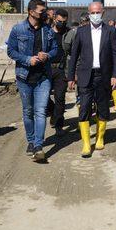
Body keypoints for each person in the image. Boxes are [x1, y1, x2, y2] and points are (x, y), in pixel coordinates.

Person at [7, 0, 58, 162]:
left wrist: (47, 55)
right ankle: (30, 140)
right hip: (24, 77)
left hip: (43, 77)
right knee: (28, 111)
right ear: (31, 12)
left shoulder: (48, 30)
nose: (45, 13)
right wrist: (27, 59)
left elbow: (56, 49)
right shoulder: (18, 29)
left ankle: (38, 145)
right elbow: (11, 51)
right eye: (42, 11)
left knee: (40, 111)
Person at [67, 2, 116, 158]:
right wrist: (71, 76)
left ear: (102, 13)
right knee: (84, 108)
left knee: (103, 107)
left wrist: (115, 75)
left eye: (98, 12)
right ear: (88, 14)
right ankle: (85, 144)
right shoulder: (81, 32)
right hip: (85, 76)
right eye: (92, 12)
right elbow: (74, 55)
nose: (95, 15)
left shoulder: (110, 31)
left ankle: (99, 138)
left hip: (103, 76)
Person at [47, 8, 70, 136]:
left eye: (64, 22)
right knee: (44, 97)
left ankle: (59, 125)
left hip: (61, 70)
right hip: (47, 69)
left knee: (60, 98)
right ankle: (53, 113)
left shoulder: (67, 33)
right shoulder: (46, 32)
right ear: (54, 18)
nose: (61, 23)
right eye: (59, 21)